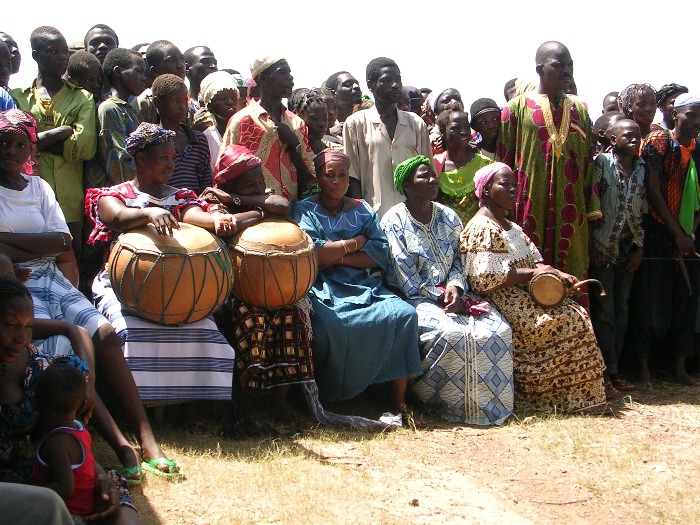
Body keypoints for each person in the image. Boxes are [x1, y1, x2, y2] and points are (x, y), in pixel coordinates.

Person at [0, 109, 181, 480]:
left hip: (51, 277)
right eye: (4, 142)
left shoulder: (38, 188)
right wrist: (34, 247)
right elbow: (43, 243)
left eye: (21, 144)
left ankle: (145, 435)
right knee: (59, 355)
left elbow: (62, 240)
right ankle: (116, 446)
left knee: (105, 334)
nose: (11, 150)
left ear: (31, 151)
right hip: (11, 288)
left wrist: (5, 242)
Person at [86, 122, 236, 407]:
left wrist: (220, 220)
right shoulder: (113, 195)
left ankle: (191, 406)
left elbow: (195, 216)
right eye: (163, 158)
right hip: (121, 286)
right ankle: (137, 407)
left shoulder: (180, 196)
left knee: (204, 330)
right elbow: (116, 217)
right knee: (126, 330)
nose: (171, 163)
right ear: (141, 159)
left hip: (178, 285)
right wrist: (148, 213)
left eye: (173, 157)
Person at [461, 163, 608, 413]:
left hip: (522, 294)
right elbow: (483, 279)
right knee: (566, 321)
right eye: (503, 184)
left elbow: (536, 261)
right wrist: (536, 273)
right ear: (485, 190)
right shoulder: (482, 228)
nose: (511, 190)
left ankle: (579, 397)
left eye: (514, 185)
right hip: (501, 300)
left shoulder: (511, 227)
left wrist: (558, 274)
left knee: (576, 312)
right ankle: (550, 398)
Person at [291, 149, 423, 423]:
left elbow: (378, 254)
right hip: (322, 286)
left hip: (365, 285)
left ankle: (398, 401)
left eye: (342, 176)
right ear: (318, 177)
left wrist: (337, 255)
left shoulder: (362, 209)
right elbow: (314, 255)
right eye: (329, 176)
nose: (337, 182)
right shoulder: (304, 209)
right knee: (330, 327)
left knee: (404, 315)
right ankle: (332, 393)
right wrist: (356, 242)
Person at [381, 156, 514, 425]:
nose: (432, 180)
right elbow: (404, 276)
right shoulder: (394, 221)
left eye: (433, 175)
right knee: (451, 333)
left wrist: (455, 287)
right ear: (407, 187)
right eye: (423, 177)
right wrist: (438, 295)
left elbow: (457, 260)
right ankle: (441, 405)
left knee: (497, 328)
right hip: (414, 298)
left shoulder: (448, 215)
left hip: (454, 293)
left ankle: (489, 407)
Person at [0, 275, 139, 523]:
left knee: (112, 495)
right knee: (48, 501)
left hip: (28, 475)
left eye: (29, 326)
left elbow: (64, 435)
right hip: (13, 484)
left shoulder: (38, 367)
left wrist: (97, 474)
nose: (21, 337)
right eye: (11, 325)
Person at [199, 144, 314, 429]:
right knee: (250, 321)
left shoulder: (253, 197)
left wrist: (241, 198)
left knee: (294, 318)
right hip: (232, 289)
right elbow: (227, 225)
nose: (259, 186)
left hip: (271, 288)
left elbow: (283, 206)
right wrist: (254, 211)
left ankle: (280, 400)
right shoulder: (213, 201)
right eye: (249, 183)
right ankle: (244, 402)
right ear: (228, 182)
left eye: (260, 181)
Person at [497, 41, 601, 305]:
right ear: (540, 69)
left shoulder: (580, 111)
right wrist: (502, 213)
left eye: (570, 66)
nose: (567, 72)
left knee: (573, 283)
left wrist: (592, 212)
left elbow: (589, 166)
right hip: (529, 210)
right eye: (559, 65)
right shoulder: (515, 109)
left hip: (572, 214)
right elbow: (503, 163)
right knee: (531, 279)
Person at [631, 94, 700, 387]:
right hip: (658, 230)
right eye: (691, 116)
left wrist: (689, 234)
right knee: (650, 301)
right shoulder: (659, 144)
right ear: (675, 116)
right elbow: (654, 192)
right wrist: (676, 233)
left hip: (688, 234)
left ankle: (680, 366)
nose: (696, 123)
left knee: (685, 300)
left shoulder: (697, 150)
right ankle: (644, 368)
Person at [10, 26, 97, 257]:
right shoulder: (17, 97)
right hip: (25, 200)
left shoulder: (82, 97)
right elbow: (10, 143)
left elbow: (84, 147)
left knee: (72, 258)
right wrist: (57, 134)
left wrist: (31, 143)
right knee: (30, 258)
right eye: (53, 51)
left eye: (64, 51)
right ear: (36, 55)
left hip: (69, 201)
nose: (62, 57)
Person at [31, 364, 143, 524]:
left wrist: (30, 492)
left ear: (36, 402)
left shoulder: (56, 443)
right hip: (89, 505)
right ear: (83, 404)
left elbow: (64, 487)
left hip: (71, 514)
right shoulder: (78, 428)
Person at [589, 119, 646, 398]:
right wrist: (592, 249)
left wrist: (639, 249)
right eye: (628, 135)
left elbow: (643, 211)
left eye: (638, 136)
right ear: (613, 138)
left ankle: (615, 369)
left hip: (629, 249)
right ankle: (605, 371)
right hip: (603, 249)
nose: (635, 140)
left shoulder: (642, 168)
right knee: (604, 313)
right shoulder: (601, 164)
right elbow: (590, 205)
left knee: (622, 312)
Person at [343, 57, 431, 218]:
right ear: (371, 85)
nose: (395, 85)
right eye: (387, 80)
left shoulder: (416, 124)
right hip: (375, 218)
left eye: (398, 80)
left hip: (413, 219)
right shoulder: (355, 124)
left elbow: (427, 173)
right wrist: (362, 218)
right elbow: (352, 176)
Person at [220, 57, 316, 202]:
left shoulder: (297, 123)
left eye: (289, 72)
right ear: (263, 78)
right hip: (255, 212)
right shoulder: (242, 121)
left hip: (294, 211)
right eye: (282, 72)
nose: (290, 77)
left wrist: (294, 144)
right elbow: (225, 173)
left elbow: (308, 176)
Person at [151, 73, 212, 194]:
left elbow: (206, 185)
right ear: (157, 102)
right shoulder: (151, 141)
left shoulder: (199, 140)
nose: (183, 107)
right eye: (176, 101)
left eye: (185, 100)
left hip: (196, 208)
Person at [433, 109, 492, 226]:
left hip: (478, 236)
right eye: (456, 128)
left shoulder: (485, 165)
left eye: (466, 127)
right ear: (443, 132)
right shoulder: (436, 166)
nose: (464, 132)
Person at [98, 47, 147, 185]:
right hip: (119, 193)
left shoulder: (130, 110)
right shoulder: (110, 109)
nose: (144, 78)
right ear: (118, 72)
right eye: (138, 71)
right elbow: (119, 163)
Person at [198, 71, 239, 171]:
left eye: (234, 98)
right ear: (210, 106)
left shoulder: (247, 131)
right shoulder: (206, 139)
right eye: (223, 99)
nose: (230, 102)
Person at [289, 88, 335, 154]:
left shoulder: (334, 151)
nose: (322, 124)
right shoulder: (289, 151)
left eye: (325, 119)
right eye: (314, 118)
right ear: (298, 117)